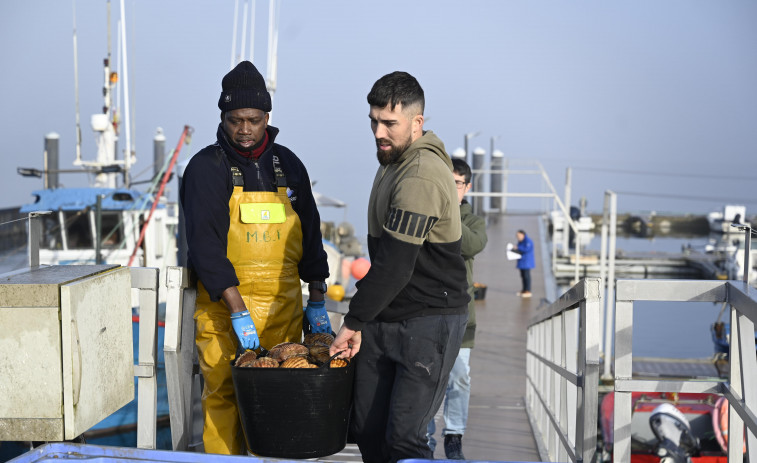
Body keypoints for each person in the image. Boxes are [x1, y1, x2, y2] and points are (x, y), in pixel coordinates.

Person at [180, 60, 331, 454]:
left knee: (279, 401)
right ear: (223, 117)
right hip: (225, 312)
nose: (244, 129)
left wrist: (317, 300)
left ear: (267, 117)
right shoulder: (205, 168)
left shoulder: (289, 166)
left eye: (253, 119)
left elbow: (311, 234)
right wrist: (236, 310)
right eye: (234, 120)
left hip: (284, 310)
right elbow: (205, 245)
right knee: (224, 397)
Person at [329, 71, 470, 463]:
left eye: (389, 122)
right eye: (373, 121)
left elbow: (394, 266)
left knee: (404, 441)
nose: (378, 131)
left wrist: (352, 322)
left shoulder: (421, 171)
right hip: (388, 315)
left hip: (430, 319)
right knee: (367, 431)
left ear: (417, 122)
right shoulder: (393, 159)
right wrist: (367, 321)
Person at [427, 158, 488, 459]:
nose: (452, 190)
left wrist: (444, 216)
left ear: (467, 186)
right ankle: (424, 440)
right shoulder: (427, 214)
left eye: (457, 184)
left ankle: (454, 435)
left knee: (459, 377)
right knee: (425, 377)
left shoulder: (473, 222)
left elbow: (471, 244)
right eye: (446, 183)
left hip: (462, 317)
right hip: (426, 312)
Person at [514, 229, 535, 297]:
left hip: (527, 262)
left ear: (523, 235)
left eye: (518, 235)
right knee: (522, 276)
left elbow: (526, 249)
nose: (518, 237)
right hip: (522, 262)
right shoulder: (520, 241)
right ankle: (524, 290)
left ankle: (528, 291)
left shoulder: (528, 241)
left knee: (527, 276)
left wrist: (518, 247)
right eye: (517, 236)